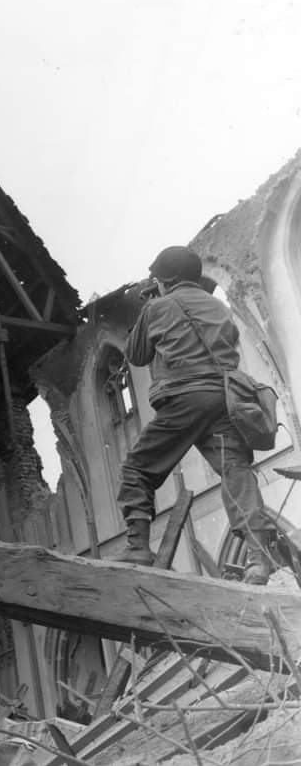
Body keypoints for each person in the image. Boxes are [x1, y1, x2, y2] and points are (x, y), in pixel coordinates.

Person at [116, 245, 274, 584]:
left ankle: (138, 546)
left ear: (166, 279)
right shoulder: (217, 305)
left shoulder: (157, 306)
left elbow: (137, 354)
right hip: (225, 397)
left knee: (137, 468)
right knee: (235, 471)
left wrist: (148, 305)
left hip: (185, 396)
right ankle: (259, 560)